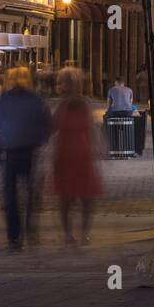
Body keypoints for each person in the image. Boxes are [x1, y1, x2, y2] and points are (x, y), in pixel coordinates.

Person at [0, 66, 52, 251]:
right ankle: (28, 231)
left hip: (12, 151)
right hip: (28, 151)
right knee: (30, 194)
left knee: (12, 196)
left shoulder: (6, 100)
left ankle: (15, 235)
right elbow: (47, 124)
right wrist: (40, 139)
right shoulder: (35, 100)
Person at [51, 67, 101, 245]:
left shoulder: (64, 106)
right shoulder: (80, 104)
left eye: (61, 82)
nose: (59, 86)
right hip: (78, 152)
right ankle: (82, 233)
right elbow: (92, 130)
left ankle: (70, 234)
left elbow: (52, 128)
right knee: (81, 197)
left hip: (69, 152)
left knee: (69, 198)